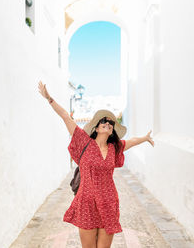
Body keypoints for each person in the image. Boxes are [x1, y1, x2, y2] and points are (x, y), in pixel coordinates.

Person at [38, 81, 154, 248]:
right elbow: (65, 115)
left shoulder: (115, 148)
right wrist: (49, 98)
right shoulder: (83, 141)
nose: (108, 123)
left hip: (108, 202)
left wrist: (145, 138)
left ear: (111, 130)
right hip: (86, 202)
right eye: (103, 121)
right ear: (97, 128)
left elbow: (132, 141)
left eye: (111, 123)